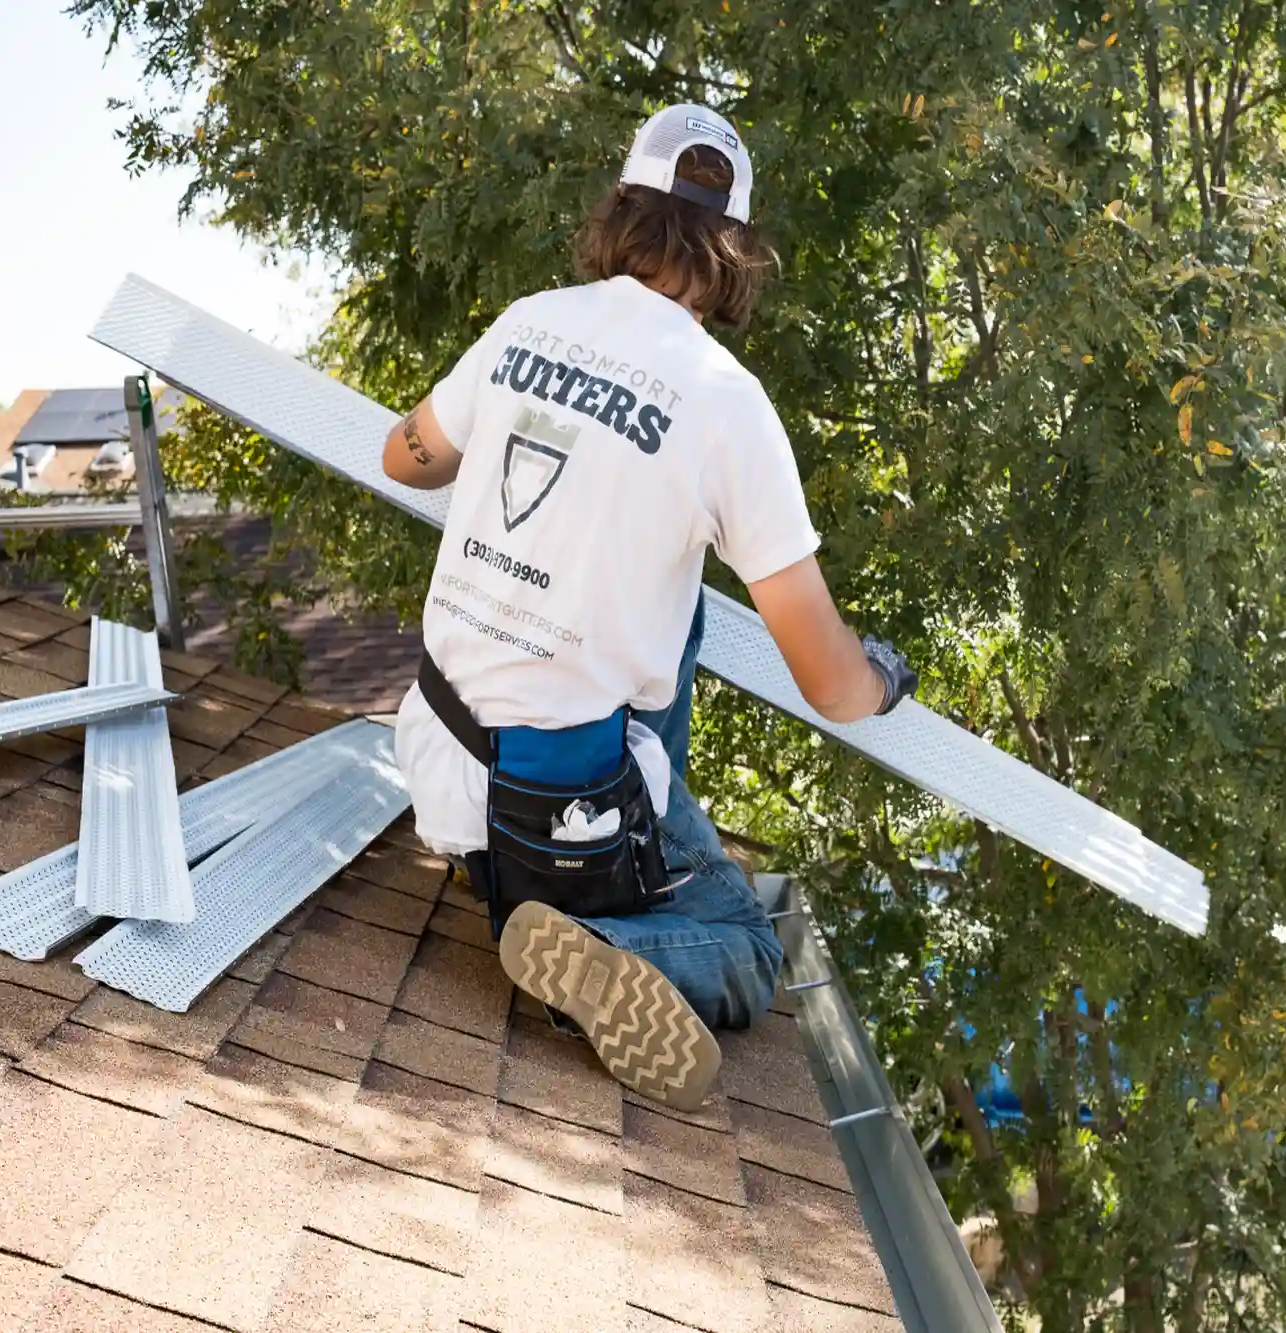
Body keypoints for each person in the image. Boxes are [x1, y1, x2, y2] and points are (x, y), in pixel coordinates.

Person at [381, 104, 917, 1112]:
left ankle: (533, 891)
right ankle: (606, 938)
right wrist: (883, 677)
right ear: (737, 253)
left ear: (622, 208)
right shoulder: (726, 403)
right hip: (559, 819)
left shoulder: (527, 323)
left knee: (684, 602)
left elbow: (403, 457)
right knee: (753, 943)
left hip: (442, 764)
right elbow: (830, 686)